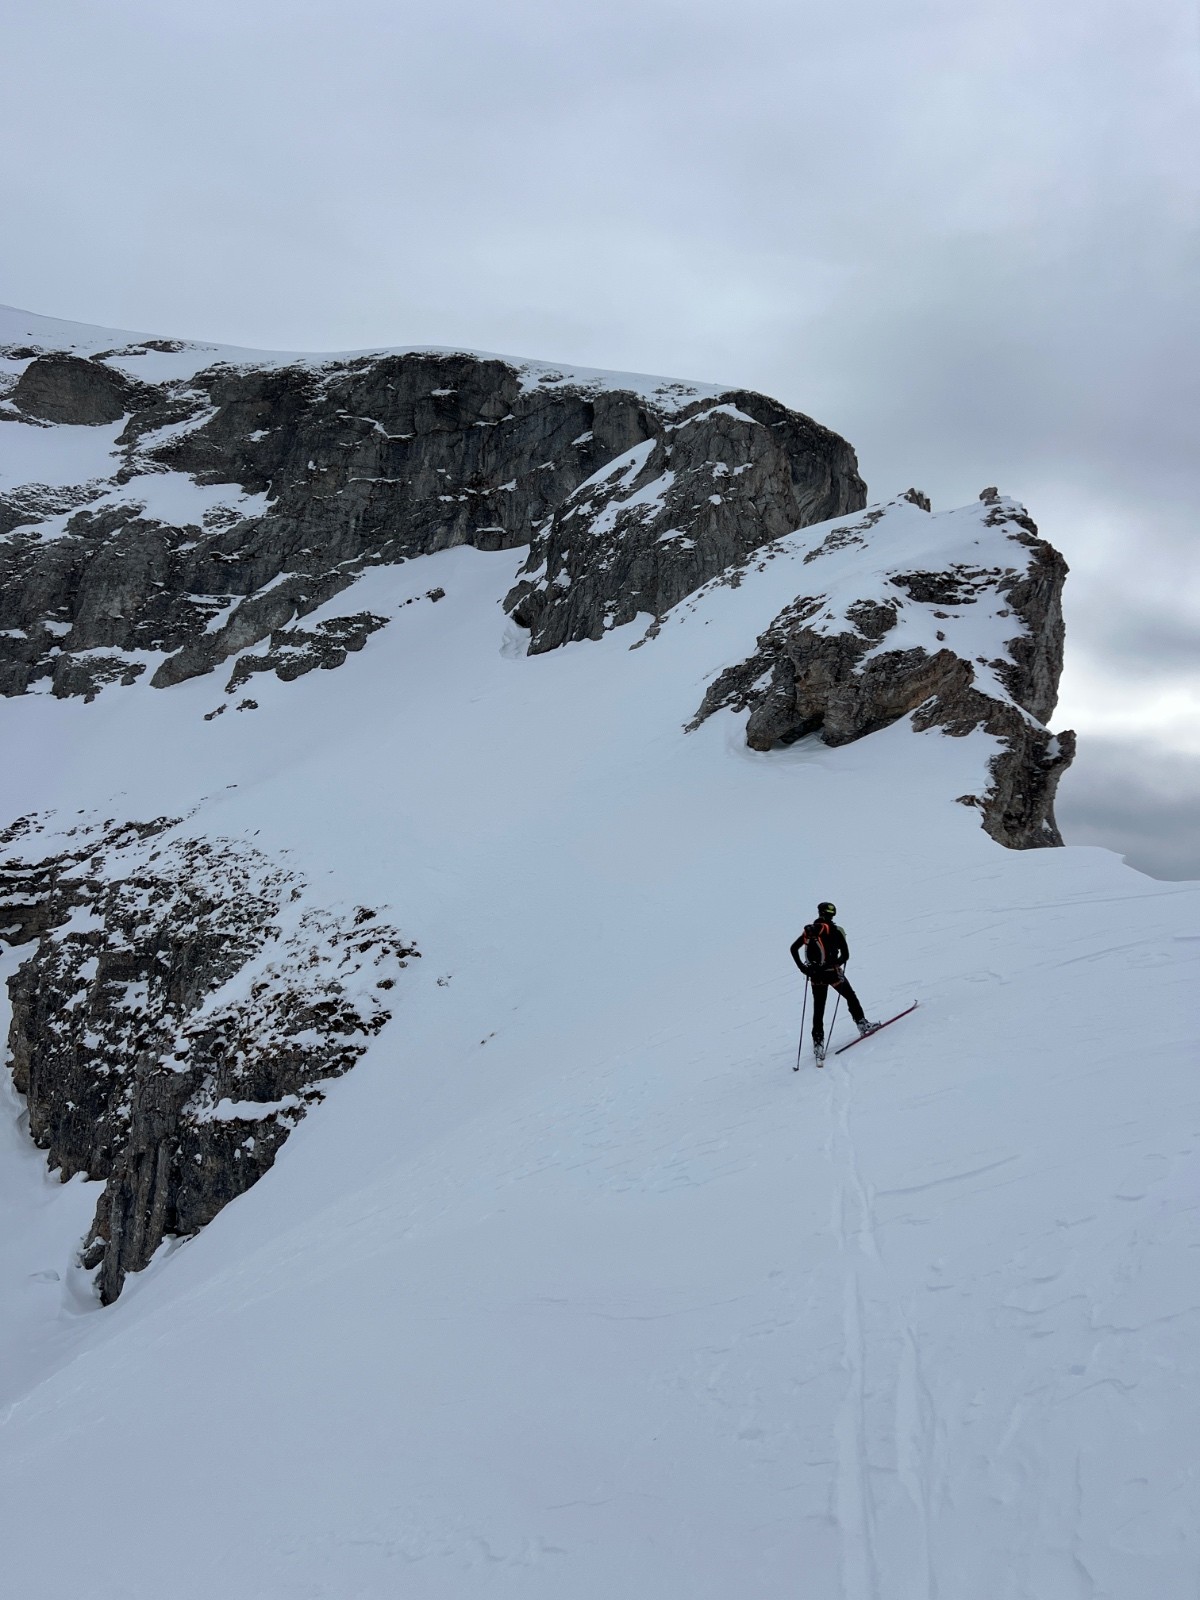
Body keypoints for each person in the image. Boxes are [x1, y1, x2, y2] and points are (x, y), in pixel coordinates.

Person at [790, 901, 876, 1063]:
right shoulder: (836, 931)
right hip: (832, 974)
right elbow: (845, 955)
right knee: (850, 996)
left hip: (816, 976)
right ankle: (862, 1024)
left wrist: (804, 969)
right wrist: (836, 964)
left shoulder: (810, 931)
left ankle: (818, 1043)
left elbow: (793, 948)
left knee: (818, 1008)